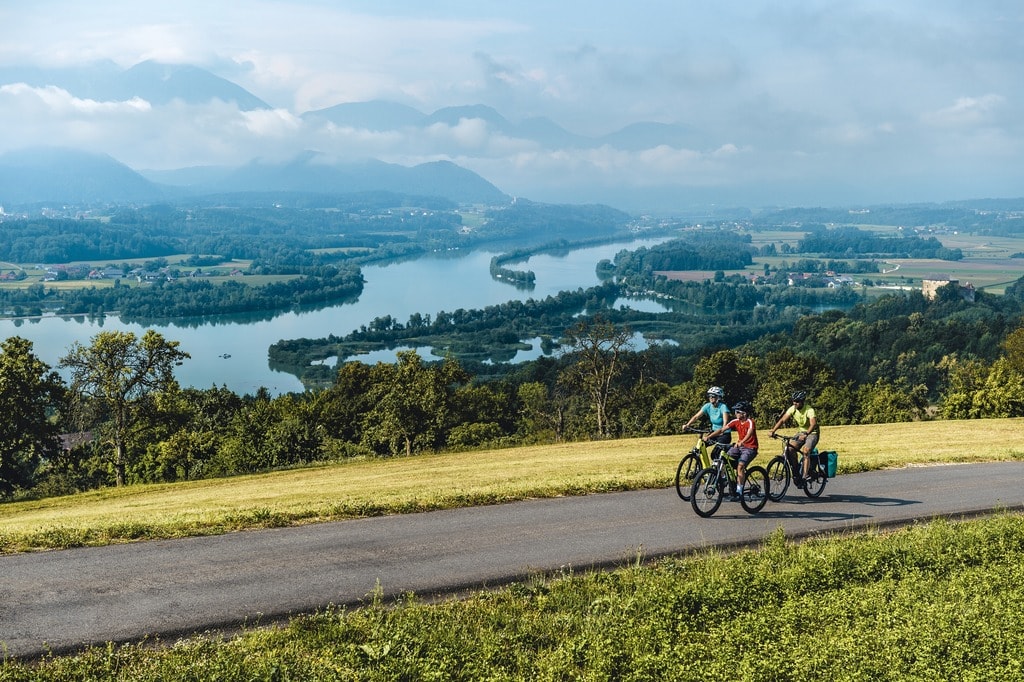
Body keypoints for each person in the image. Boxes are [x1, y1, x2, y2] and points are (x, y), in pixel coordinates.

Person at [704, 400, 758, 500]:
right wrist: (709, 437)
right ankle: (726, 480)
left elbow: (749, 433)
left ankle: (739, 491)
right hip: (739, 447)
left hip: (750, 448)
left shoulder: (750, 422)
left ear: (744, 413)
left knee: (740, 466)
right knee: (723, 460)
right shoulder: (735, 422)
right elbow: (722, 430)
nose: (735, 414)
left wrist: (742, 441)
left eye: (737, 412)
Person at [769, 390, 820, 488]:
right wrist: (773, 430)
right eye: (793, 401)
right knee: (790, 449)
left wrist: (806, 433)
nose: (794, 403)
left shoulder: (809, 410)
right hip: (801, 432)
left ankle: (805, 476)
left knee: (806, 451)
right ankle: (796, 473)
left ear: (802, 401)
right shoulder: (792, 409)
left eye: (797, 401)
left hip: (812, 433)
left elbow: (813, 424)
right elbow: (783, 419)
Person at [683, 386, 732, 455]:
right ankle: (699, 464)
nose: (711, 398)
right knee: (700, 447)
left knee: (714, 454)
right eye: (709, 396)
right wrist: (687, 425)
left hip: (724, 435)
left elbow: (725, 422)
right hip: (714, 433)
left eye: (713, 396)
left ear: (719, 397)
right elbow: (696, 416)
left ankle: (721, 464)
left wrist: (722, 430)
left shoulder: (723, 407)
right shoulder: (707, 406)